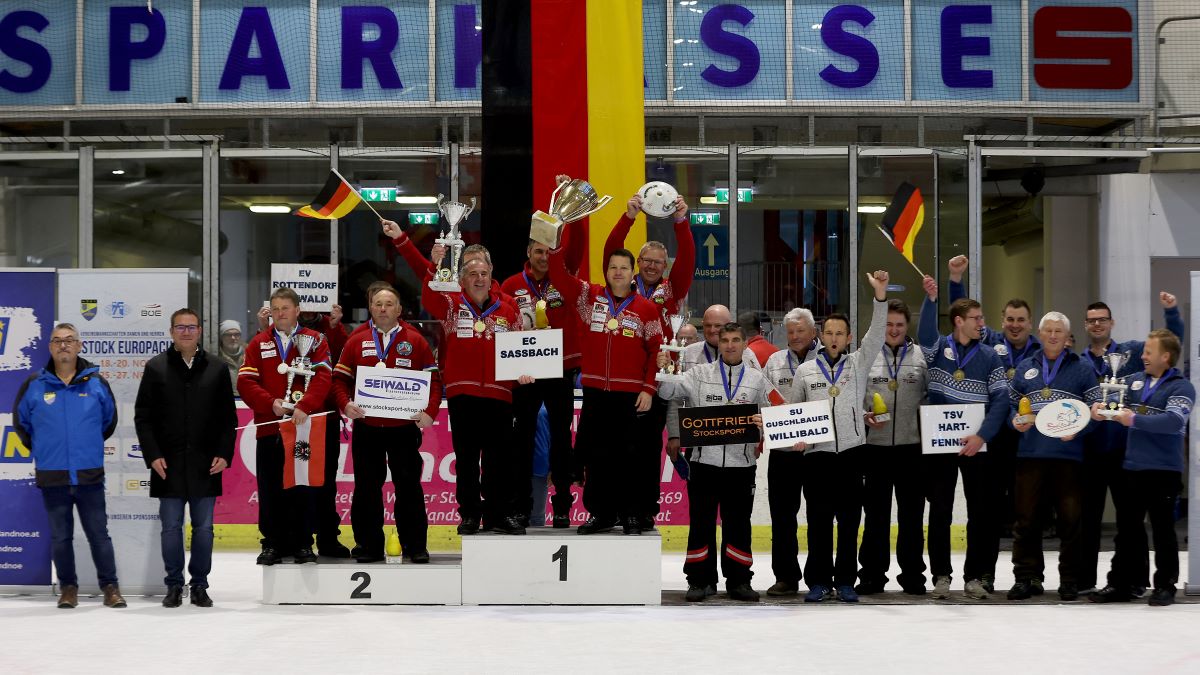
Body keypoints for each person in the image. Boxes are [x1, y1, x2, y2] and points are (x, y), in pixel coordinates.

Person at [657, 322, 784, 602]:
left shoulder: (756, 379)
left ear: (743, 344)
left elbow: (779, 411)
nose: (729, 345)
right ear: (718, 343)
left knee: (738, 524)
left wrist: (766, 423)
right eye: (724, 340)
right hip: (703, 464)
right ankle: (699, 580)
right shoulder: (699, 374)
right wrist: (665, 370)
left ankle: (739, 581)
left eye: (735, 340)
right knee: (701, 522)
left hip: (742, 466)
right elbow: (667, 395)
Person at [548, 224, 662, 535]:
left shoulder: (647, 309)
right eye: (613, 267)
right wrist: (557, 240)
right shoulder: (589, 297)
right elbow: (558, 276)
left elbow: (655, 351)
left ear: (632, 272)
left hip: (630, 395)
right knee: (597, 458)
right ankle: (600, 513)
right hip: (596, 392)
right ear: (607, 271)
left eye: (624, 267)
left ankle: (631, 514)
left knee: (630, 458)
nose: (618, 272)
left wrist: (648, 389)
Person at [787, 271, 890, 603]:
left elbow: (876, 334)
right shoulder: (805, 371)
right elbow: (794, 413)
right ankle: (817, 580)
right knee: (817, 521)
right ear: (821, 336)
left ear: (848, 338)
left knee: (848, 522)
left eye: (840, 333)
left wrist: (880, 297)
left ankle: (845, 580)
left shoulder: (859, 364)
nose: (833, 338)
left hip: (851, 453)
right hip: (816, 456)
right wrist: (798, 439)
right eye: (828, 332)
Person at [1077, 293, 1182, 594]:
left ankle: (1134, 581)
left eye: (1103, 320)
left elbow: (1173, 342)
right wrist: (1094, 414)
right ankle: (1085, 581)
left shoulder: (1133, 353)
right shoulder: (1080, 361)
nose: (1098, 324)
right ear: (1086, 325)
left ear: (1112, 323)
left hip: (1127, 453)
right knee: (1089, 520)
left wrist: (1171, 311)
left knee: (1130, 524)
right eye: (1092, 320)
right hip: (1092, 452)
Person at [12, 323, 122, 609]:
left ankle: (110, 587)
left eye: (69, 340)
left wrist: (88, 446)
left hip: (89, 474)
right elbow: (21, 424)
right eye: (57, 341)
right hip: (53, 475)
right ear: (50, 347)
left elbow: (108, 422)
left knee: (99, 535)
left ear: (79, 346)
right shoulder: (34, 385)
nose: (63, 345)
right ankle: (68, 588)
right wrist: (42, 448)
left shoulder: (96, 383)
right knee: (61, 538)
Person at [134, 309, 236, 608]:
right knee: (170, 527)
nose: (186, 332)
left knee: (204, 529)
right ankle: (174, 585)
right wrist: (152, 455)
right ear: (171, 332)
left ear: (200, 331)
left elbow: (227, 419)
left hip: (206, 464)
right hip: (168, 465)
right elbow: (143, 418)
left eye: (192, 327)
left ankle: (200, 584)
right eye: (181, 327)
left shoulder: (216, 368)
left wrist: (224, 454)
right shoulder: (155, 368)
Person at [604, 192, 692, 532]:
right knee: (617, 450)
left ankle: (642, 511)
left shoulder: (672, 291)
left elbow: (688, 260)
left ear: (665, 265)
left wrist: (681, 222)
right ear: (637, 263)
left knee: (645, 451)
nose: (652, 265)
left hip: (655, 380)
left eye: (659, 261)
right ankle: (616, 509)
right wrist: (628, 218)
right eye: (647, 260)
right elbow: (611, 250)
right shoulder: (623, 286)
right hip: (622, 378)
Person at [333, 286, 440, 563]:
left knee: (409, 488)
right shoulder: (357, 341)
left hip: (403, 430)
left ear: (399, 310)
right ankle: (368, 545)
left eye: (389, 304)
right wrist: (345, 404)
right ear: (371, 308)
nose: (383, 308)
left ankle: (415, 546)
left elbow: (435, 383)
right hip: (367, 428)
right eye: (378, 303)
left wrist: (429, 412)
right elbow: (339, 380)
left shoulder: (416, 341)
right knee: (367, 489)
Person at [917, 277, 1009, 600]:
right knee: (940, 510)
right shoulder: (938, 349)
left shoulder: (990, 356)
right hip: (940, 445)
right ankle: (941, 575)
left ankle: (974, 576)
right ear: (959, 321)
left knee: (980, 512)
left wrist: (982, 435)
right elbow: (924, 335)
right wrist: (930, 300)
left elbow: (1002, 401)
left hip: (976, 446)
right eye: (977, 319)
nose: (982, 323)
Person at [423, 258, 527, 536]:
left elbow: (520, 349)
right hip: (463, 393)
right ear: (462, 279)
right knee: (467, 460)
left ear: (491, 275)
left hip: (499, 395)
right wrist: (434, 263)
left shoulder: (508, 309)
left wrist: (524, 372)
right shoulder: (450, 306)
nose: (479, 278)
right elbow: (426, 295)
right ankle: (469, 514)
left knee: (498, 460)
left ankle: (498, 514)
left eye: (483, 273)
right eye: (472, 274)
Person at [1090, 330, 1194, 607]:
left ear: (1166, 356)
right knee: (1127, 530)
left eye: (1148, 351)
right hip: (1133, 468)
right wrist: (1100, 409)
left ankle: (1165, 585)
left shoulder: (1182, 388)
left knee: (1163, 529)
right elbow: (1115, 404)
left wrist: (1133, 420)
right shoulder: (1134, 382)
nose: (1143, 356)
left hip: (1164, 470)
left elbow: (1173, 422)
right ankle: (1122, 583)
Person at [945, 255, 1039, 554]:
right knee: (988, 510)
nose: (1015, 325)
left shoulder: (1039, 352)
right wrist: (955, 280)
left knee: (1027, 512)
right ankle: (984, 573)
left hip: (1028, 442)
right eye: (1010, 319)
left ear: (1030, 322)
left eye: (1021, 320)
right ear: (1002, 321)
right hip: (994, 439)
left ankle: (1028, 576)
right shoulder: (989, 342)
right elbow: (962, 318)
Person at [1006, 312, 1101, 601]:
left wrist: (1079, 431)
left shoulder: (1083, 368)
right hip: (1030, 454)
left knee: (1071, 520)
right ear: (1040, 332)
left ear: (1067, 336)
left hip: (1067, 457)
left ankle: (1070, 579)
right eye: (1048, 330)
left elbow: (1095, 412)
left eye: (1059, 330)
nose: (1053, 335)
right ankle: (1026, 577)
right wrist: (1014, 421)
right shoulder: (1025, 367)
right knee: (1026, 520)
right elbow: (1011, 406)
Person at [237, 287, 333, 565]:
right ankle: (271, 544)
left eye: (285, 308)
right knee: (270, 488)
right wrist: (271, 403)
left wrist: (305, 405)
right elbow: (245, 382)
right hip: (270, 427)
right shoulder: (258, 343)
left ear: (297, 311)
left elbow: (324, 378)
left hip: (302, 428)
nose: (280, 314)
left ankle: (304, 543)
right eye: (276, 309)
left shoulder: (315, 340)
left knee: (302, 487)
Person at [501, 239, 581, 528]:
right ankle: (521, 506)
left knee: (561, 440)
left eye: (549, 251)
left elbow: (578, 245)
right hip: (525, 369)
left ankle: (562, 506)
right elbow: (504, 324)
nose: (544, 256)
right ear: (528, 253)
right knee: (521, 440)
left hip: (559, 367)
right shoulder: (510, 285)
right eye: (538, 250)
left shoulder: (564, 279)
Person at [856, 299, 930, 596]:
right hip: (875, 449)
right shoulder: (866, 356)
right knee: (875, 517)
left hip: (912, 449)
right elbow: (854, 397)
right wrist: (864, 417)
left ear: (907, 326)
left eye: (899, 325)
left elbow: (930, 397)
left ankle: (913, 575)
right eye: (888, 324)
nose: (894, 330)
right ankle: (872, 575)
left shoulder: (922, 358)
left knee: (912, 518)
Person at [664, 304, 763, 501]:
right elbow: (673, 396)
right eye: (707, 325)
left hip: (739, 453)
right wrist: (674, 434)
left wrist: (758, 436)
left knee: (737, 522)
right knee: (701, 519)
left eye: (718, 326)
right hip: (700, 444)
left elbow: (760, 404)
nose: (712, 330)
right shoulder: (689, 353)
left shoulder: (749, 358)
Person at [761, 306, 820, 597]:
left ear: (813, 332)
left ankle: (818, 577)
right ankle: (785, 576)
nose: (795, 336)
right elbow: (762, 397)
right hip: (783, 453)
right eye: (791, 331)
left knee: (819, 516)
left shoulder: (828, 360)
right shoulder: (773, 361)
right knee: (782, 517)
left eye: (801, 331)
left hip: (818, 453)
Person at [216, 319, 245, 388]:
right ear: (221, 337)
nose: (233, 338)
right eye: (228, 335)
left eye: (236, 334)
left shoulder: (250, 355)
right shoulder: (216, 358)